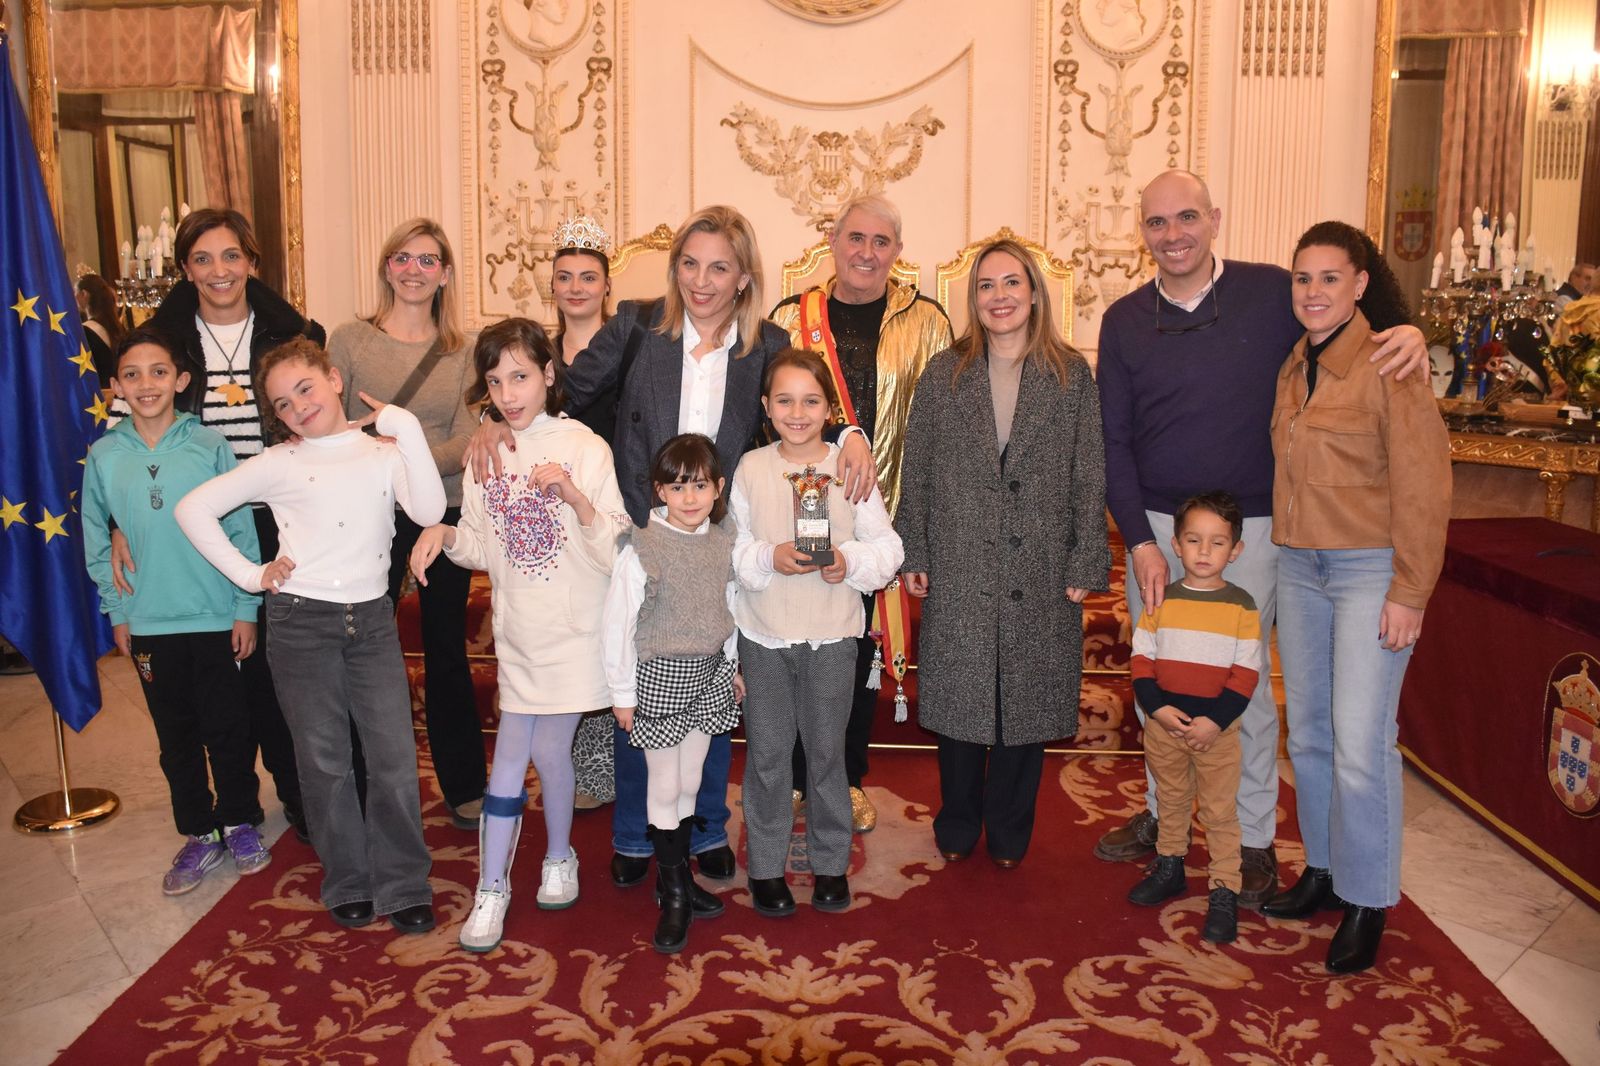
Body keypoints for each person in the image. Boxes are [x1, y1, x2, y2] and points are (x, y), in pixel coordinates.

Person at [467, 205, 876, 891]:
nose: (701, 281)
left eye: (718, 267)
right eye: (689, 264)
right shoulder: (636, 325)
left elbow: (811, 404)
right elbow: (558, 384)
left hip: (719, 543)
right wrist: (487, 417)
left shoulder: (767, 342)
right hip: (642, 537)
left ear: (744, 275)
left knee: (713, 687)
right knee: (643, 688)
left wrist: (851, 435)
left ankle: (707, 828)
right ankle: (636, 834)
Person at [1094, 170, 1428, 907]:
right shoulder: (1121, 321)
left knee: (1241, 684)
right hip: (1157, 527)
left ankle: (1248, 841)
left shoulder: (1272, 293)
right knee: (1162, 679)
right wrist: (1140, 542)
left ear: (1214, 218)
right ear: (1140, 232)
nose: (1173, 234)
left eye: (1187, 217)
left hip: (1259, 528)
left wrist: (1411, 330)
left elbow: (1348, 317)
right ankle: (1165, 818)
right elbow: (1111, 440)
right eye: (1157, 223)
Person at [175, 338, 444, 934]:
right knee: (324, 763)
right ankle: (348, 878)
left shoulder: (382, 451)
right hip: (302, 625)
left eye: (306, 388)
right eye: (283, 403)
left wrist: (405, 428)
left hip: (371, 621)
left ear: (334, 379)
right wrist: (251, 574)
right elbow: (192, 509)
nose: (298, 406)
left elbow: (428, 510)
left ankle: (404, 883)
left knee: (394, 759)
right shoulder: (279, 463)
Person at [1261, 221, 1451, 974]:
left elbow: (1425, 482)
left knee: (1361, 743)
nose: (1313, 292)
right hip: (1301, 569)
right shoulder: (1293, 364)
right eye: (1302, 279)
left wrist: (1410, 590)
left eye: (1329, 278)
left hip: (1370, 571)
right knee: (1306, 732)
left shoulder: (1390, 362)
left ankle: (1370, 898)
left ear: (1361, 282)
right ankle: (1326, 870)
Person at [412, 319, 628, 954]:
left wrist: (574, 497)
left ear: (549, 375)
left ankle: (512, 877)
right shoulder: (487, 450)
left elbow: (617, 547)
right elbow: (483, 546)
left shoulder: (587, 447)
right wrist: (445, 535)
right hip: (519, 633)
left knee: (522, 754)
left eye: (521, 376)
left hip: (572, 631)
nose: (508, 393)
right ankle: (530, 869)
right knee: (541, 754)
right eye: (495, 380)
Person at [115, 207, 325, 843]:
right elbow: (125, 437)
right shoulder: (161, 342)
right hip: (199, 525)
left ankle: (299, 796)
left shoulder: (295, 333)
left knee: (281, 670)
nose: (219, 271)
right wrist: (124, 521)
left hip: (283, 519)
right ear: (184, 269)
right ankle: (234, 803)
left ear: (252, 262)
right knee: (221, 668)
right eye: (202, 259)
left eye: (231, 256)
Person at [896, 239, 1109, 868]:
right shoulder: (945, 373)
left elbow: (1088, 473)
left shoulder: (1071, 376)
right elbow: (920, 468)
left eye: (1012, 283)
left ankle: (1011, 830)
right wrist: (915, 548)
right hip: (962, 557)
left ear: (1035, 292)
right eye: (987, 286)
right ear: (975, 299)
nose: (1000, 297)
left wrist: (1085, 556)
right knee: (961, 704)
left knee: (1026, 703)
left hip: (1042, 562)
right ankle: (959, 823)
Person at [770, 193, 953, 833]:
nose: (866, 253)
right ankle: (795, 779)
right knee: (796, 643)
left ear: (898, 252)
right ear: (833, 241)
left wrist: (924, 526)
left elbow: (939, 426)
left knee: (853, 655)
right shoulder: (792, 318)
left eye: (881, 242)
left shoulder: (927, 322)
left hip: (883, 516)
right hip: (803, 509)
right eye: (855, 239)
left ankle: (844, 778)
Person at [82, 327, 269, 895]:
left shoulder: (209, 445)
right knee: (175, 734)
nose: (146, 384)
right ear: (115, 386)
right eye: (132, 375)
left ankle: (239, 820)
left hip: (214, 615)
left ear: (181, 381)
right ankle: (199, 832)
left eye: (158, 372)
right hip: (149, 624)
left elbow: (239, 528)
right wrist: (117, 611)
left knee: (228, 727)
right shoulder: (104, 455)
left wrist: (245, 606)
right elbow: (96, 536)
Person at [732, 349, 903, 917]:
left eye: (810, 400)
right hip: (765, 635)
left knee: (828, 754)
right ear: (766, 406)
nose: (797, 412)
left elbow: (888, 550)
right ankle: (766, 869)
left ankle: (831, 865)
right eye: (784, 400)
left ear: (830, 408)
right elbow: (731, 552)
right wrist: (767, 556)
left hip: (832, 637)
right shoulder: (751, 469)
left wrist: (847, 562)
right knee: (769, 757)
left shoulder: (849, 468)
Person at [326, 218, 485, 831]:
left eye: (428, 261)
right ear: (387, 267)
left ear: (445, 273)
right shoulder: (349, 340)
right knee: (360, 650)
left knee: (445, 650)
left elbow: (468, 439)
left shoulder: (465, 351)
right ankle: (363, 783)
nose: (414, 271)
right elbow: (329, 427)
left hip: (435, 515)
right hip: (361, 514)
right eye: (403, 258)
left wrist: (400, 455)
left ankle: (463, 784)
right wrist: (396, 458)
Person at [601, 433, 741, 953]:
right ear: (659, 490)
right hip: (659, 677)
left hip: (709, 675)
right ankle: (676, 892)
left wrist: (731, 666)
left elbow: (726, 609)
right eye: (677, 487)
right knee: (663, 785)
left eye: (700, 486)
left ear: (718, 488)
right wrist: (621, 693)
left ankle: (674, 880)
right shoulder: (643, 546)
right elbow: (617, 625)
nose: (689, 497)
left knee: (689, 779)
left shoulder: (722, 542)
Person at [1124, 491, 1262, 944]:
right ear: (1176, 545)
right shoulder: (1160, 600)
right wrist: (1158, 710)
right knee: (1172, 799)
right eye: (1194, 540)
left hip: (1216, 734)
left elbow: (1245, 674)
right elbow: (1142, 660)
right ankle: (1170, 867)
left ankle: (1224, 888)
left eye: (1217, 542)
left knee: (1221, 812)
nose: (1204, 552)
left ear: (1236, 550)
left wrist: (1215, 722)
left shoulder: (1242, 607)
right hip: (1166, 726)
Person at [549, 214, 621, 813]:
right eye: (566, 276)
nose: (576, 287)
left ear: (606, 286)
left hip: (608, 503)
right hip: (550, 511)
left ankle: (604, 764)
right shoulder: (537, 353)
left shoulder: (627, 348)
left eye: (588, 277)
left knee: (608, 626)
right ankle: (564, 760)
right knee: (566, 627)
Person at [76, 272, 125, 388]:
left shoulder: (85, 331)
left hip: (97, 395)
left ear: (84, 294)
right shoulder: (118, 327)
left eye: (75, 292)